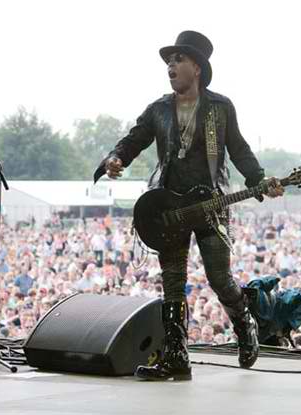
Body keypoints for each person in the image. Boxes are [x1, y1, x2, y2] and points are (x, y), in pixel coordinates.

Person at [93, 30, 284, 381]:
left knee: (219, 278)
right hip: (168, 205)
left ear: (196, 67)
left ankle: (245, 324)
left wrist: (258, 179)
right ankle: (177, 358)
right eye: (169, 60)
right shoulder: (158, 109)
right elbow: (133, 140)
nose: (171, 65)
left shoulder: (220, 108)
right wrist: (114, 159)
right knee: (172, 282)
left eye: (178, 59)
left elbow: (239, 148)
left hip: (211, 203)